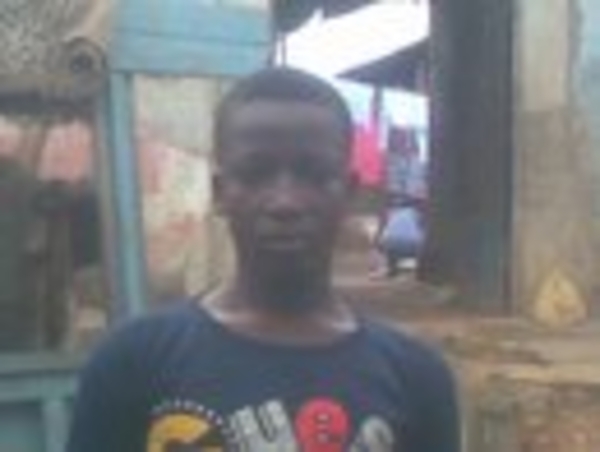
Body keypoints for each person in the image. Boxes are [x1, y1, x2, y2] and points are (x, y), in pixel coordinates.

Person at [67, 68, 460, 452]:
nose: (285, 202)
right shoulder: (134, 361)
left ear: (349, 193)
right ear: (220, 193)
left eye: (313, 175)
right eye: (255, 174)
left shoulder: (416, 377)